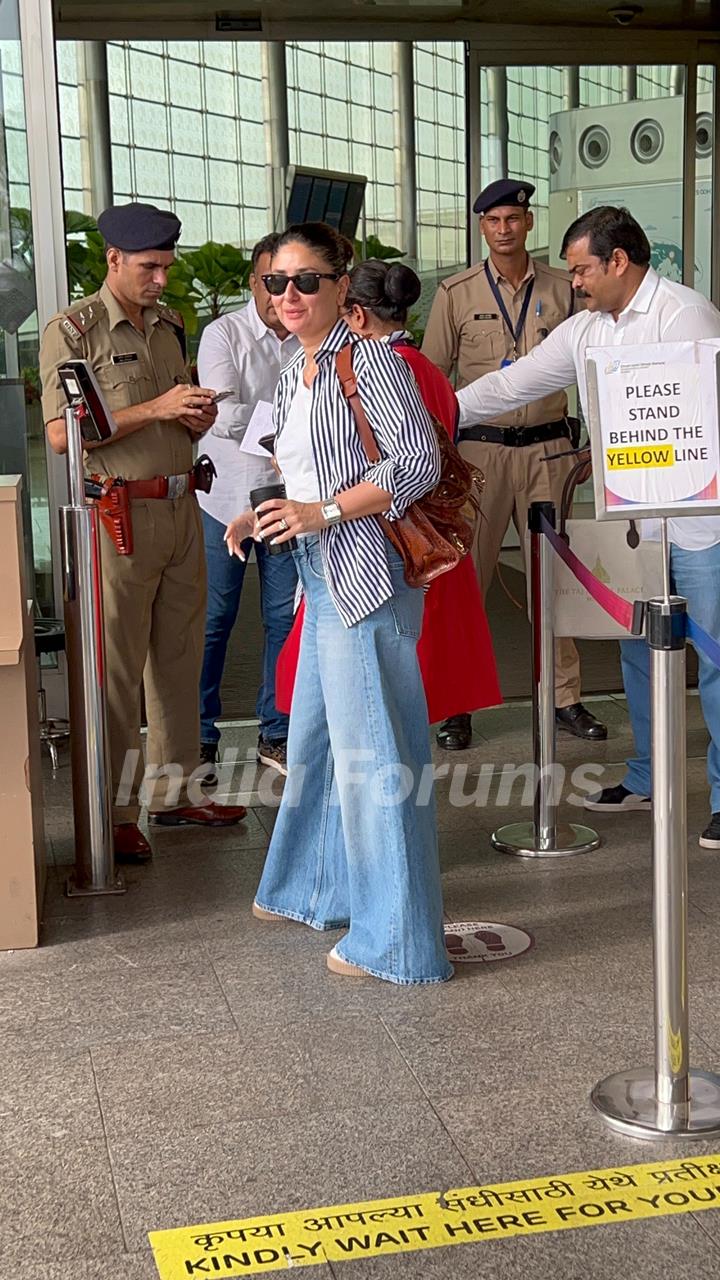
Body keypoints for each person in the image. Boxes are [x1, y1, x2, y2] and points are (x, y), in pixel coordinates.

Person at [225, 221, 453, 985]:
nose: (288, 294)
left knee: (375, 761)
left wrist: (323, 512)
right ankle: (311, 888)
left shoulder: (371, 362)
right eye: (275, 282)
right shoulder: (296, 370)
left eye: (306, 281)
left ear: (339, 285)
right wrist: (256, 513)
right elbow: (300, 469)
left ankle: (399, 941)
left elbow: (416, 462)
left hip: (365, 578)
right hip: (318, 580)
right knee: (317, 747)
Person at [456, 204, 720, 850]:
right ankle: (647, 776)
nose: (572, 282)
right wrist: (434, 411)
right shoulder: (587, 332)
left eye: (581, 270)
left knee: (712, 658)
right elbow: (512, 384)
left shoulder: (685, 316)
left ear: (618, 262)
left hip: (700, 524)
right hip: (631, 525)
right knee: (636, 650)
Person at [39, 202, 247, 862]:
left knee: (180, 660)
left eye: (166, 265)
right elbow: (57, 433)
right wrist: (156, 407)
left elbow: (170, 414)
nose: (161, 277)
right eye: (150, 267)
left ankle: (176, 791)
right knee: (118, 669)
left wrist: (193, 418)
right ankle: (118, 808)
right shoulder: (74, 331)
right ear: (114, 261)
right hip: (118, 517)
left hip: (184, 509)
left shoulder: (171, 324)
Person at [272, 258, 502, 726]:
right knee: (406, 694)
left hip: (375, 542)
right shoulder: (429, 370)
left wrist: (322, 502)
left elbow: (404, 462)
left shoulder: (375, 368)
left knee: (372, 711)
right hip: (421, 535)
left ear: (353, 314)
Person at [423, 177, 607, 751]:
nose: (503, 230)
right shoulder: (456, 293)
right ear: (482, 228)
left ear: (529, 223)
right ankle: (458, 706)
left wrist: (594, 443)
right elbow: (430, 378)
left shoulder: (565, 286)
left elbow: (594, 366)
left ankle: (565, 697)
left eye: (513, 219)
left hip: (549, 453)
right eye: (493, 221)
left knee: (554, 579)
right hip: (479, 454)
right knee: (464, 581)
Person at [196, 234, 299, 781]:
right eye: (269, 281)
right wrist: (289, 429)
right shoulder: (224, 334)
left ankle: (275, 731)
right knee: (215, 620)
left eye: (291, 280)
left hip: (289, 502)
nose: (281, 292)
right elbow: (220, 413)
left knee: (282, 619)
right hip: (225, 500)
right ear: (253, 282)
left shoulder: (310, 336)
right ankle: (201, 736)